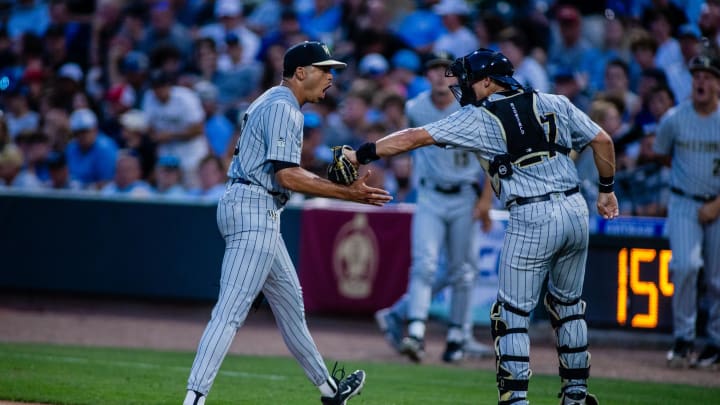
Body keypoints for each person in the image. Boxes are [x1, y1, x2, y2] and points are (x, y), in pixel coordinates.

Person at [340, 48, 618, 404]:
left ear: (488, 80)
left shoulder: (481, 116)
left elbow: (415, 137)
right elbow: (602, 141)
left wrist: (359, 155)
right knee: (568, 307)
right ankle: (576, 394)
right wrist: (607, 191)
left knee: (512, 313)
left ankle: (516, 399)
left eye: (470, 78)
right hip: (575, 210)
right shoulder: (554, 101)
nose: (465, 86)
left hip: (532, 213)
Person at [182, 41, 392, 405]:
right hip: (254, 207)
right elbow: (288, 176)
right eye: (324, 69)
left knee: (292, 306)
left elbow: (285, 173)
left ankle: (329, 391)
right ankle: (194, 399)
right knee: (229, 313)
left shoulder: (271, 99)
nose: (330, 77)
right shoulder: (285, 108)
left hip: (251, 204)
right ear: (300, 72)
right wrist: (348, 194)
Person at [373, 51, 494, 364]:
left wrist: (484, 201)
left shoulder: (471, 105)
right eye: (434, 70)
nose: (440, 75)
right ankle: (415, 331)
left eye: (446, 70)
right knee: (425, 264)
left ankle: (456, 338)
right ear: (425, 75)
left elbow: (488, 157)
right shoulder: (415, 107)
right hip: (429, 194)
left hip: (465, 194)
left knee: (462, 270)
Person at [655, 52, 720, 369]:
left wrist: (716, 203)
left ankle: (717, 342)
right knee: (685, 266)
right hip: (683, 201)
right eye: (696, 76)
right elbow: (663, 155)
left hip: (719, 203)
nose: (701, 81)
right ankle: (683, 339)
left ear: (718, 84)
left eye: (708, 76)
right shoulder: (674, 118)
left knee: (718, 279)